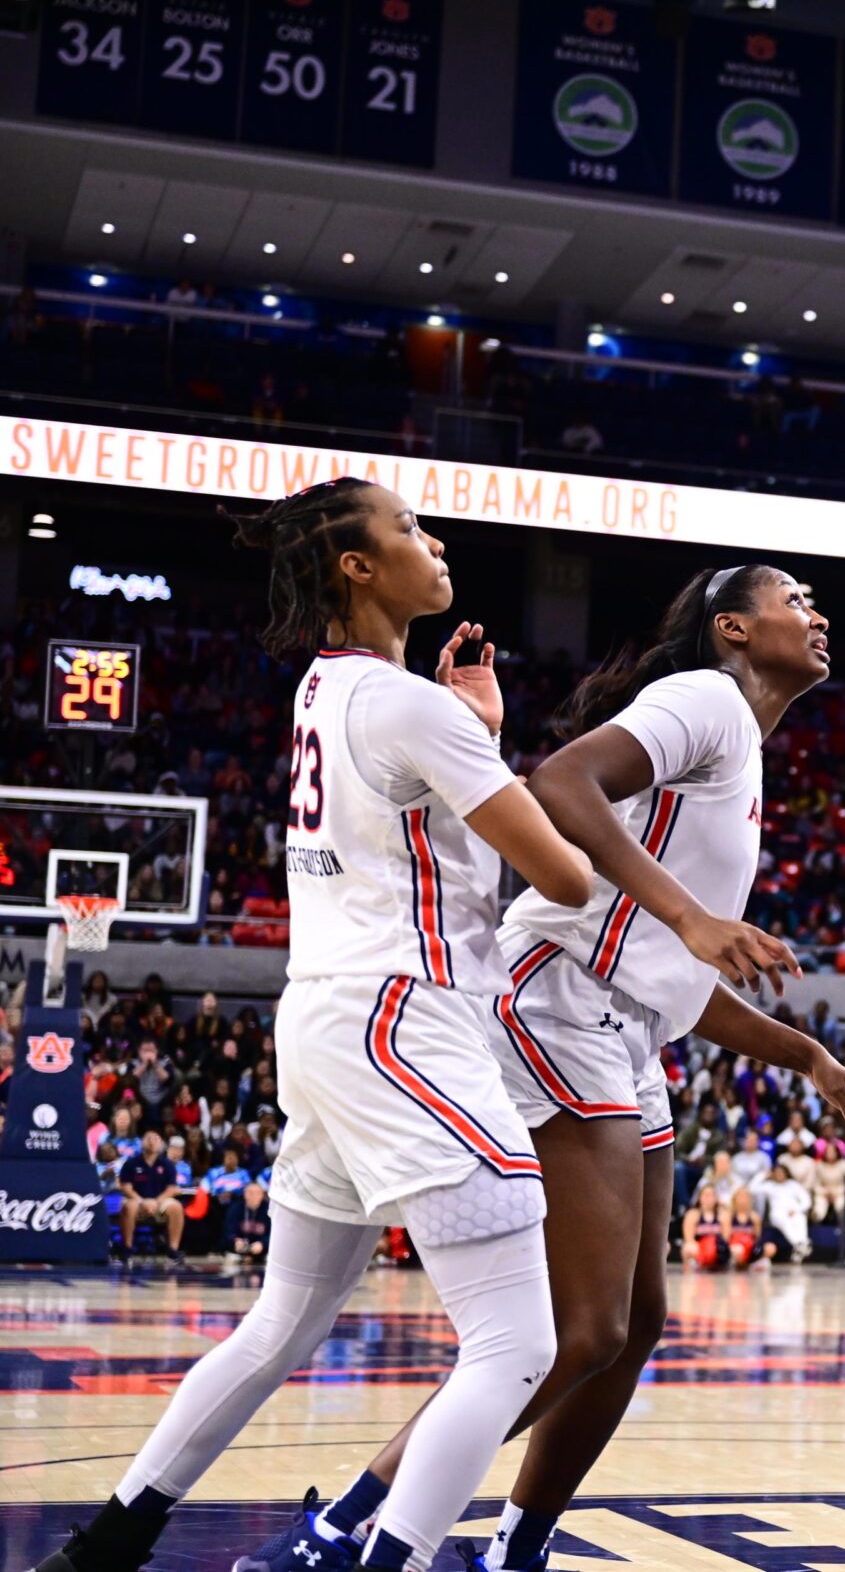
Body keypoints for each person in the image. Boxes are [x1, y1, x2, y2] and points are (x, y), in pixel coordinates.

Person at [235, 563, 845, 1572]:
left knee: (633, 1327)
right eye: (795, 600)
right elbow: (560, 783)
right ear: (731, 626)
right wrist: (690, 915)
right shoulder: (701, 698)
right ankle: (340, 1529)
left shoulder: (740, 739)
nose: (818, 615)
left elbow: (674, 978)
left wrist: (807, 1056)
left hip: (623, 1026)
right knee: (581, 1328)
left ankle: (517, 1546)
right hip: (556, 999)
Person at [24, 478, 598, 1572]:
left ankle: (107, 1544)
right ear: (359, 567)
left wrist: (469, 737)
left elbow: (423, 816)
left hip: (327, 1020)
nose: (434, 545)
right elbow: (564, 876)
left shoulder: (325, 691)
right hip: (403, 1020)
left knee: (280, 1325)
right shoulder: (412, 706)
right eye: (410, 531)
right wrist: (484, 745)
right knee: (521, 1343)